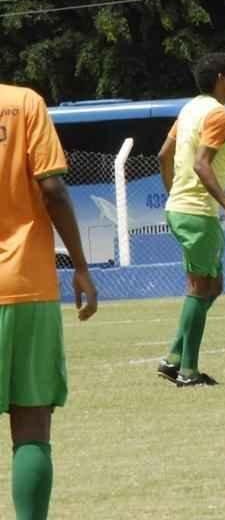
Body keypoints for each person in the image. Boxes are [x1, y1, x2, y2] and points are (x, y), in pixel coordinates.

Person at [1, 82, 98, 520]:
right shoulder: (23, 103)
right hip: (24, 284)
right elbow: (53, 188)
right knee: (31, 425)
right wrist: (80, 265)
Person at [156, 53, 225, 386]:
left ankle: (174, 358)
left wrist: (174, 194)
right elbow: (202, 164)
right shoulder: (218, 115)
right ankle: (187, 372)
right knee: (200, 288)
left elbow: (163, 155)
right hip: (196, 212)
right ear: (220, 78)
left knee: (213, 286)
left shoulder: (190, 109)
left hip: (185, 208)